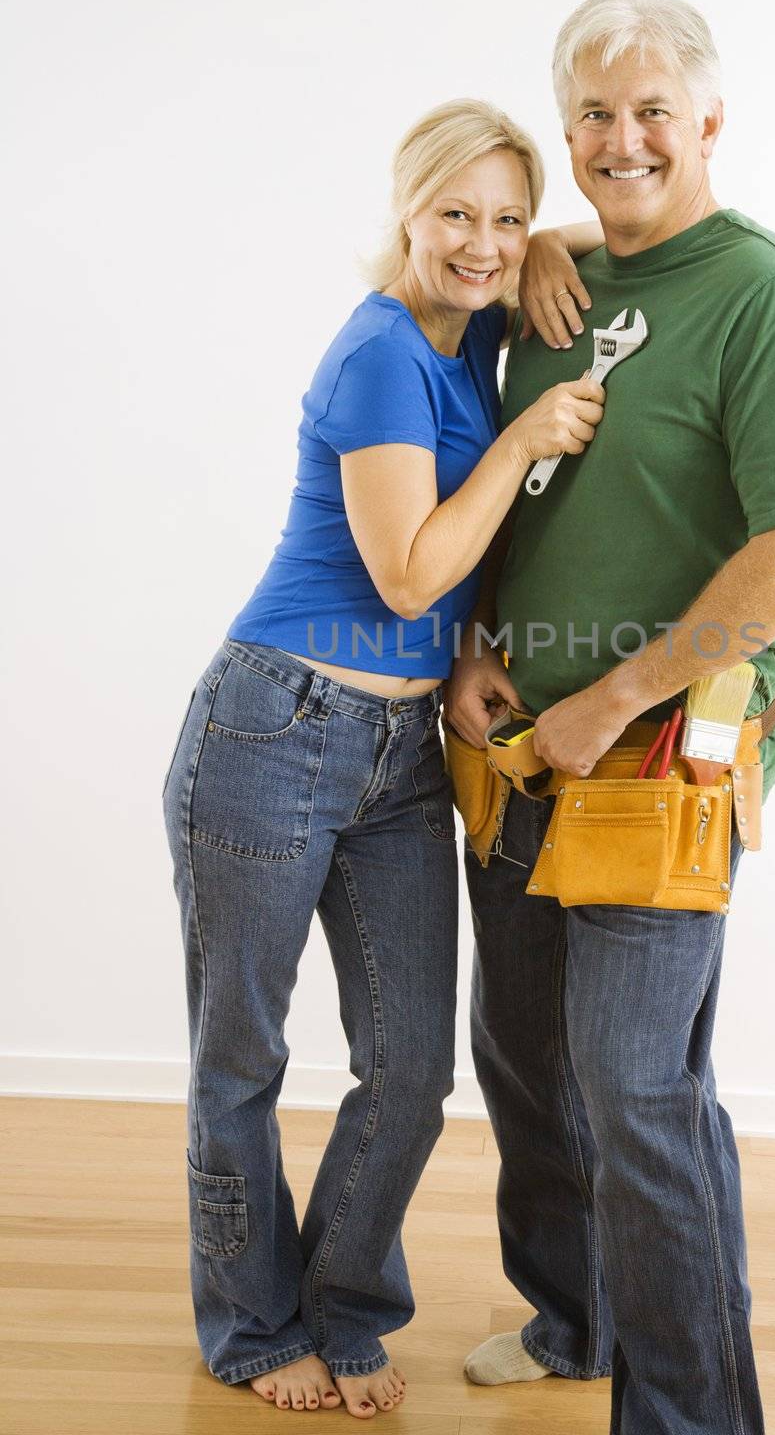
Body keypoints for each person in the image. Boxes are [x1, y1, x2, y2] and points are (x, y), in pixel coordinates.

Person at [447, 0, 775, 1435]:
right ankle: (576, 1323)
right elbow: (519, 492)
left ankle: (690, 1416)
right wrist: (479, 648)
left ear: (709, 122)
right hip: (516, 745)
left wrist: (613, 698)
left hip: (661, 756)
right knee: (527, 1066)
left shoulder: (774, 298)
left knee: (637, 1094)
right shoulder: (549, 290)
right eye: (595, 116)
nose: (622, 142)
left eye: (651, 114)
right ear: (565, 130)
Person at [162, 98, 607, 1417]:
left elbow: (440, 590)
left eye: (506, 219)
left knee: (411, 1063)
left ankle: (347, 1308)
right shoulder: (376, 355)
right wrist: (529, 439)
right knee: (241, 1059)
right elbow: (407, 561)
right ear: (405, 207)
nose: (480, 242)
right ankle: (250, 1332)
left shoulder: (471, 337)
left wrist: (464, 652)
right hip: (273, 726)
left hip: (401, 748)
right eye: (454, 213)